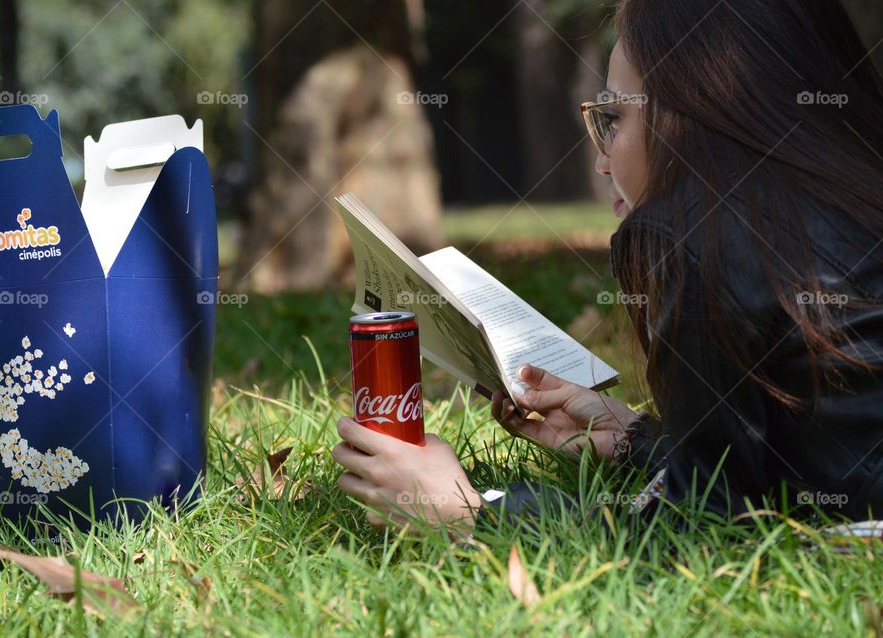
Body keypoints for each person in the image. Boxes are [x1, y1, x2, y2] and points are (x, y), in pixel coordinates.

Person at [331, 0, 883, 535]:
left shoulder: (694, 231)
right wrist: (631, 438)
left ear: (702, 111)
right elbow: (779, 470)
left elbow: (701, 530)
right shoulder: (839, 198)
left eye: (613, 117)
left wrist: (466, 511)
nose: (600, 157)